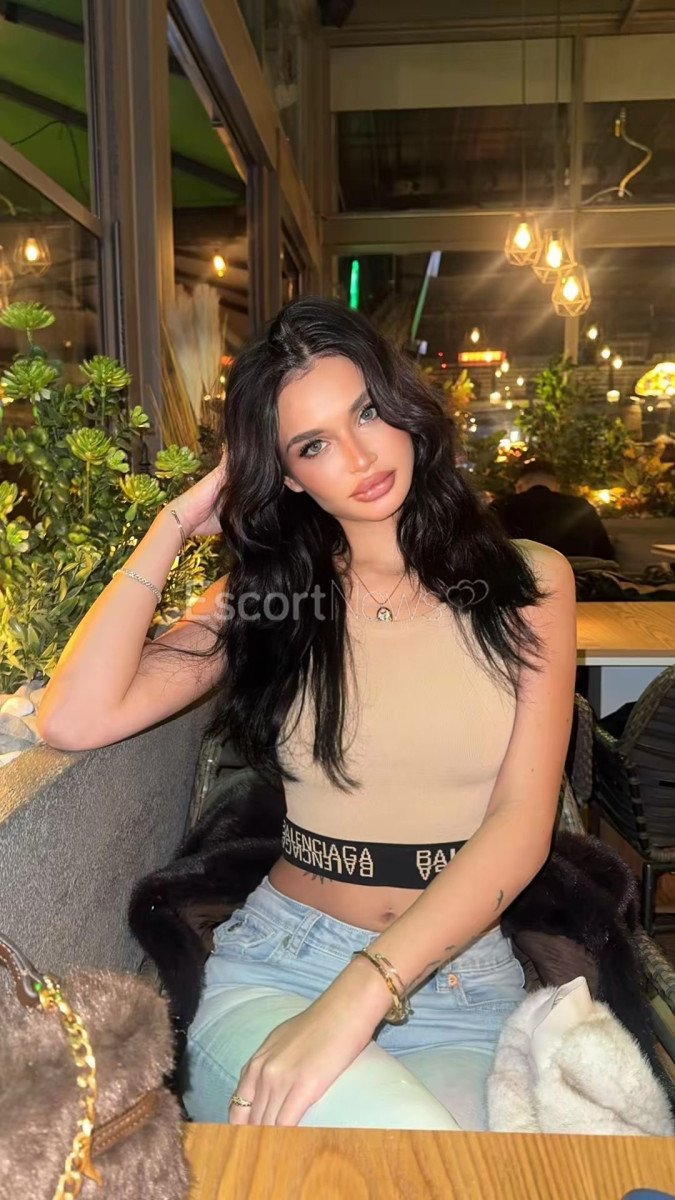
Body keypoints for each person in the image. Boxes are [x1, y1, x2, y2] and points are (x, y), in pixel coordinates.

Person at [37, 298, 576, 1131]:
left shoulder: (528, 583)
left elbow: (520, 822)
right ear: (287, 474)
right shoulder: (269, 598)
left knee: (448, 1174)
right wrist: (172, 524)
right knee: (405, 1143)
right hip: (284, 969)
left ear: (402, 407)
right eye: (313, 445)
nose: (358, 455)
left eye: (365, 412)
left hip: (463, 984)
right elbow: (72, 719)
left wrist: (365, 991)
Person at [490, 458, 615, 561]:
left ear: (519, 486)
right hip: (579, 579)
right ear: (556, 486)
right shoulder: (582, 508)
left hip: (519, 579)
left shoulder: (502, 506)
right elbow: (605, 554)